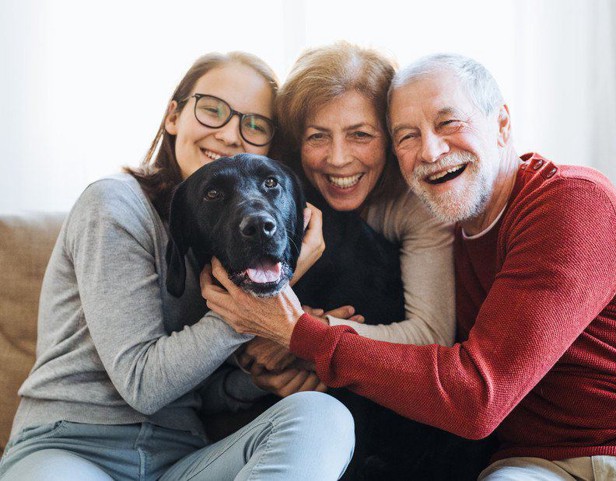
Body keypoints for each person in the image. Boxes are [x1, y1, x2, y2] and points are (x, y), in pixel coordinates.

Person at [200, 53, 616, 481]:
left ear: (502, 124)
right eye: (408, 135)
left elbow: (475, 397)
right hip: (537, 463)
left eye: (449, 123)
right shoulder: (442, 223)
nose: (432, 151)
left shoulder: (572, 205)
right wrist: (287, 362)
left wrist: (301, 335)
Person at [0, 52, 354, 481]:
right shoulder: (114, 204)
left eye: (254, 124)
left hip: (179, 461)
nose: (228, 134)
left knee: (323, 416)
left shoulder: (230, 237)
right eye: (213, 109)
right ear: (173, 116)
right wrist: (268, 296)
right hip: (71, 445)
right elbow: (143, 385)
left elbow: (201, 391)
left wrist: (256, 381)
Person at [236, 42, 494, 480]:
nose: (338, 159)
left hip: (399, 413)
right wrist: (256, 368)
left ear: (392, 138)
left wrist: (302, 337)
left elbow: (430, 334)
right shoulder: (275, 192)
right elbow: (239, 321)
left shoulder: (418, 198)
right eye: (318, 136)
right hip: (302, 409)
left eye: (361, 134)